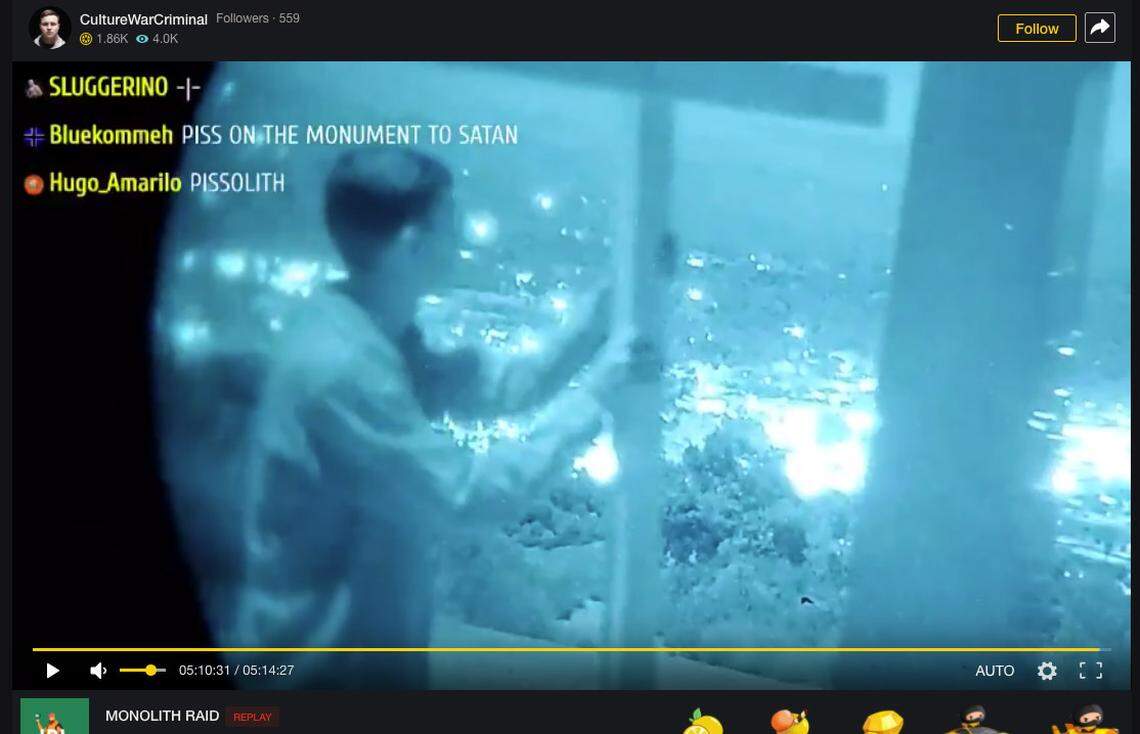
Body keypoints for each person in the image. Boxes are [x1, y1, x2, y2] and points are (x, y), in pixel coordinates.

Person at [228, 148, 625, 688]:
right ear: (413, 244)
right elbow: (470, 494)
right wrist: (597, 399)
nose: (459, 241)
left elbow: (506, 386)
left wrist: (602, 316)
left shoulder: (360, 328)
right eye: (450, 225)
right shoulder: (342, 370)